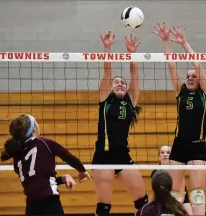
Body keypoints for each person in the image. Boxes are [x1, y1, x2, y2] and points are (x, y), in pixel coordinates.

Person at [153, 22, 206, 216]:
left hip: (198, 146)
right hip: (179, 144)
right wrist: (166, 42)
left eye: (193, 76)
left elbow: (197, 65)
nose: (190, 77)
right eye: (188, 76)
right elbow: (171, 65)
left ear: (199, 79)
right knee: (173, 192)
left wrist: (184, 43)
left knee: (197, 193)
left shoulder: (205, 93)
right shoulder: (180, 92)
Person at [91, 32, 148, 216]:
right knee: (104, 207)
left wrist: (132, 54)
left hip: (123, 155)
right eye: (116, 82)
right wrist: (107, 48)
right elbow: (107, 71)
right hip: (103, 157)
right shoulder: (105, 99)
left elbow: (135, 74)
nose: (120, 84)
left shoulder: (130, 101)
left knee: (143, 202)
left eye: (122, 82)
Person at [0, 114, 91, 216]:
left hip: (31, 207)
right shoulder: (45, 143)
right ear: (34, 129)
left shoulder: (17, 156)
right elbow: (68, 157)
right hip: (49, 203)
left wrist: (63, 178)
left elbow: (39, 182)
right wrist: (81, 170)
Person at [151, 145, 193, 215]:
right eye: (162, 152)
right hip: (162, 202)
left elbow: (182, 194)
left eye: (168, 153)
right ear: (159, 156)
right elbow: (155, 193)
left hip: (179, 200)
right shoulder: (155, 172)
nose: (165, 155)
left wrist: (175, 205)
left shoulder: (177, 170)